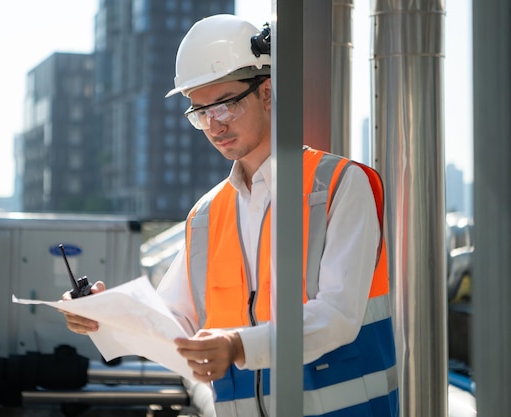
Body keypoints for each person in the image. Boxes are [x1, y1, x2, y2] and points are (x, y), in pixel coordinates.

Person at [63, 14, 398, 417]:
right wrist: (104, 315)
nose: (214, 125)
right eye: (200, 112)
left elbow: (338, 316)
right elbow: (174, 323)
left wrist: (238, 347)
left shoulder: (342, 185)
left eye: (225, 105)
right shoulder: (206, 215)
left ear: (268, 92)